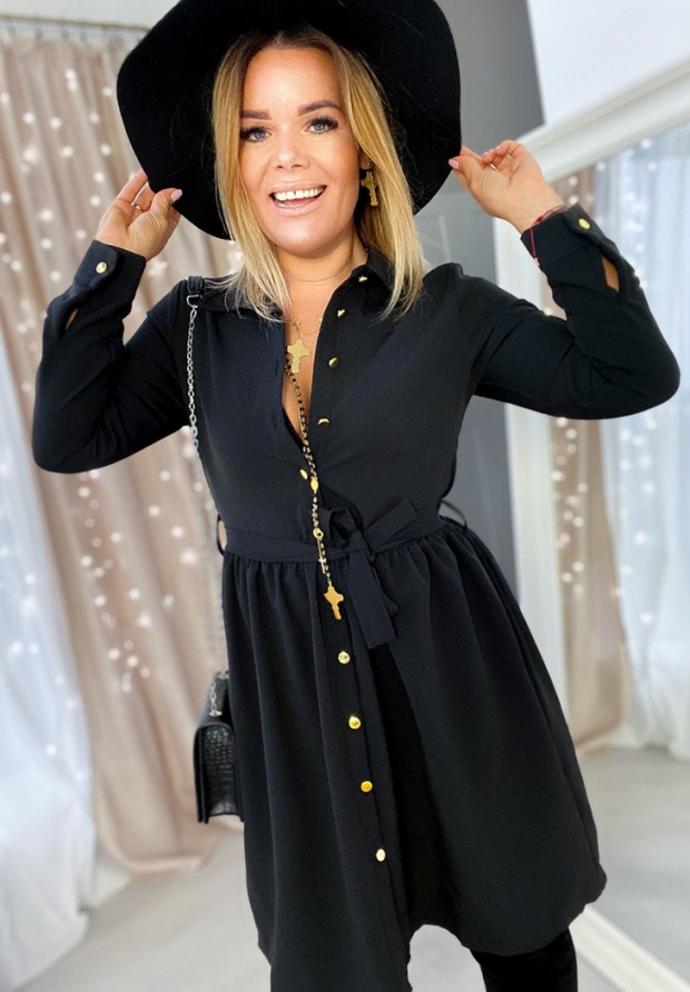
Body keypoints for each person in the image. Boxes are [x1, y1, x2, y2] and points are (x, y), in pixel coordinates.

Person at [31, 3, 680, 991]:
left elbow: (633, 373)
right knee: (338, 966)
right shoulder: (196, 327)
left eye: (319, 121)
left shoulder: (448, 309)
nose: (287, 155)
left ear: (364, 150)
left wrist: (543, 218)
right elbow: (69, 434)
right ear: (231, 161)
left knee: (522, 938)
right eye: (256, 129)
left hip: (456, 670)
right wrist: (114, 264)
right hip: (295, 694)